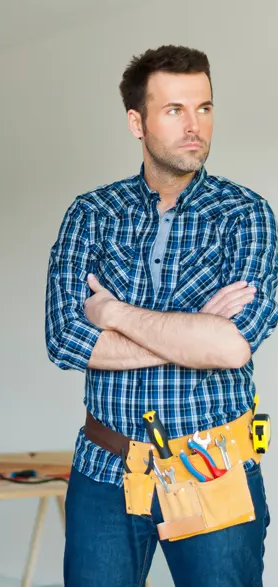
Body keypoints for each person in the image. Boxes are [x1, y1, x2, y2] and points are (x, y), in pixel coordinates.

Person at [45, 45, 278, 587]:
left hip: (213, 465)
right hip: (106, 471)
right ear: (137, 121)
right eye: (174, 109)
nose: (194, 125)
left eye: (204, 107)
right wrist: (192, 328)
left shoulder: (247, 214)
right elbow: (64, 340)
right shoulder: (91, 214)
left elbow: (232, 347)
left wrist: (113, 312)